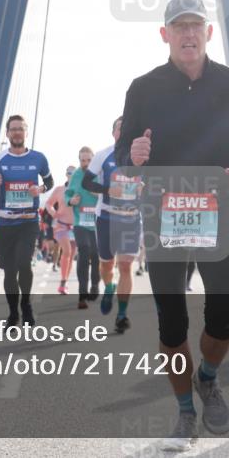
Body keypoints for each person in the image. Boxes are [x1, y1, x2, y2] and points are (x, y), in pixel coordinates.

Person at [118, 0, 229, 449]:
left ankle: (207, 377)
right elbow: (122, 152)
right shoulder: (143, 87)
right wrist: (131, 154)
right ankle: (186, 413)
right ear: (164, 34)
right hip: (162, 216)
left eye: (196, 26)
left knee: (223, 319)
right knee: (172, 324)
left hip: (217, 213)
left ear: (208, 33)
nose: (188, 34)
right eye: (178, 26)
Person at [0, 115, 54, 327]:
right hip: (5, 224)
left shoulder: (39, 158)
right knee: (9, 270)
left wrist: (40, 189)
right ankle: (13, 314)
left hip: (28, 221)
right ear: (7, 133)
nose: (16, 132)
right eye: (13, 129)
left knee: (24, 263)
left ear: (26, 132)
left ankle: (26, 305)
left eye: (20, 129)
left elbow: (49, 181)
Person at [83, 118, 140, 334]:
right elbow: (86, 183)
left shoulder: (143, 157)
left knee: (125, 266)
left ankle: (122, 314)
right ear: (113, 133)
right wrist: (108, 190)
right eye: (120, 128)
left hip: (131, 218)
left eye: (128, 128)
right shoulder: (103, 155)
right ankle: (108, 287)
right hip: (106, 217)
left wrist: (146, 187)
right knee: (106, 265)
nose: (123, 131)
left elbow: (157, 183)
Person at [65, 147, 100, 308]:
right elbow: (68, 192)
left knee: (96, 254)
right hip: (80, 221)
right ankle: (82, 294)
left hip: (97, 222)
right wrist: (71, 200)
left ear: (93, 159)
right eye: (82, 160)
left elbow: (111, 192)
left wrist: (98, 194)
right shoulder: (77, 174)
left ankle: (94, 285)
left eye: (88, 160)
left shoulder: (100, 173)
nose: (85, 164)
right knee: (84, 250)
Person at [45, 166, 77, 295]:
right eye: (69, 173)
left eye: (74, 173)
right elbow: (48, 203)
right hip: (61, 226)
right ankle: (63, 281)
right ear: (66, 175)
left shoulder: (81, 190)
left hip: (76, 227)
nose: (71, 175)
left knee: (71, 256)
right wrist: (53, 213)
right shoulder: (59, 190)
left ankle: (64, 281)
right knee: (67, 251)